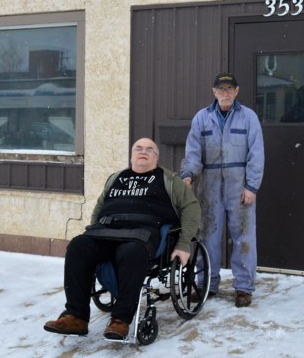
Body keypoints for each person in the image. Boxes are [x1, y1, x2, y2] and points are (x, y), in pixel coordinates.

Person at [44, 137, 201, 340]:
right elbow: (99, 209)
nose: (143, 151)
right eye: (139, 148)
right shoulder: (116, 177)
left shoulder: (169, 180)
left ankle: (120, 320)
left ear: (156, 157)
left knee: (131, 253)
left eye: (149, 149)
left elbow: (191, 207)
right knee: (78, 246)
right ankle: (76, 316)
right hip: (106, 231)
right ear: (131, 155)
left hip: (142, 235)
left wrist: (183, 243)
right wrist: (93, 230)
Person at [180, 72, 265, 308]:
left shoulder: (248, 117)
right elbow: (193, 152)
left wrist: (252, 186)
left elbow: (256, 154)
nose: (225, 93)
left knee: (244, 238)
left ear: (236, 91)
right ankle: (208, 283)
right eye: (221, 89)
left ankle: (244, 288)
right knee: (207, 236)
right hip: (209, 186)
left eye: (229, 89)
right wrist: (188, 175)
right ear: (214, 92)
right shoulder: (201, 118)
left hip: (240, 187)